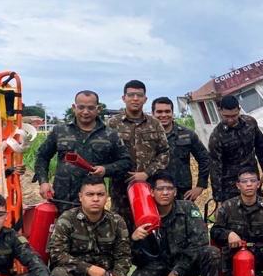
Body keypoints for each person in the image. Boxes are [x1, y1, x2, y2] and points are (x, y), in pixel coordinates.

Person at [130, 171, 221, 276]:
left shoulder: (187, 209)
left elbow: (200, 242)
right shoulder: (143, 214)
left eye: (169, 188)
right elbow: (138, 260)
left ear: (175, 191)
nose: (165, 192)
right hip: (161, 266)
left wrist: (177, 272)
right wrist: (136, 241)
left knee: (211, 253)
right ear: (151, 192)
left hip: (187, 266)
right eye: (160, 189)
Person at [34, 90, 133, 213]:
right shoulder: (60, 131)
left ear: (99, 109)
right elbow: (42, 156)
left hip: (93, 200)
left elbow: (126, 162)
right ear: (74, 107)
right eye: (81, 107)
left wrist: (105, 169)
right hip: (63, 199)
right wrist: (43, 182)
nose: (85, 112)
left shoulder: (110, 135)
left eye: (91, 108)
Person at [107, 81, 170, 226]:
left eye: (139, 95)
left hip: (148, 188)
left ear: (145, 99)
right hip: (120, 188)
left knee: (148, 225)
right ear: (124, 98)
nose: (135, 98)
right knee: (120, 226)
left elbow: (164, 152)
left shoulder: (154, 123)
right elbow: (105, 153)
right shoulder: (113, 124)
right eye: (131, 95)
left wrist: (147, 173)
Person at [207, 95, 263, 204]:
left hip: (251, 178)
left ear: (239, 110)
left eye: (234, 115)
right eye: (226, 116)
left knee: (258, 210)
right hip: (230, 185)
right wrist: (218, 200)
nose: (230, 119)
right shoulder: (217, 136)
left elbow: (261, 147)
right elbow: (215, 168)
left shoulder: (250, 123)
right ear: (220, 111)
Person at [151, 96, 210, 202]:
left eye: (167, 111)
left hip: (182, 193)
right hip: (154, 192)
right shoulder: (145, 137)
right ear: (153, 114)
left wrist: (200, 186)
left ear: (172, 113)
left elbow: (204, 158)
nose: (163, 115)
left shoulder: (187, 134)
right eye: (159, 112)